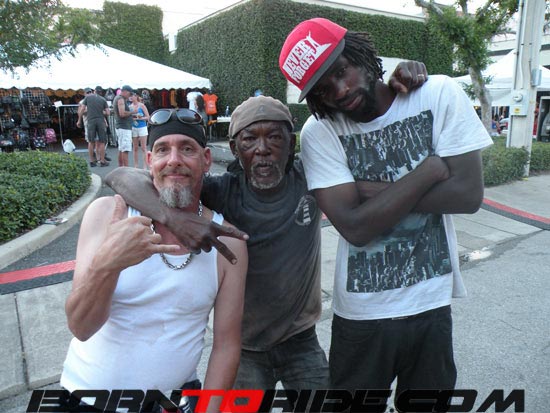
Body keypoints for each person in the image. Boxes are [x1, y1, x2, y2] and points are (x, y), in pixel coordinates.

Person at [105, 57, 428, 394]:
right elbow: (122, 176)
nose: (262, 150)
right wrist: (174, 218)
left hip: (301, 340)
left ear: (291, 144)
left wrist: (393, 89)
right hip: (243, 347)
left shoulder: (312, 179)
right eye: (249, 140)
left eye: (274, 138)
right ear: (234, 149)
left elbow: (372, 169)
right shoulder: (222, 191)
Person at [278, 17, 493, 398]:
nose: (340, 91)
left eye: (341, 71)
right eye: (323, 88)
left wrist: (372, 191)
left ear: (361, 56)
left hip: (430, 305)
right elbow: (355, 228)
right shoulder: (320, 132)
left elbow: (467, 195)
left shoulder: (437, 94)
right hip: (360, 316)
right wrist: (428, 171)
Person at [61, 108, 248, 413]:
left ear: (206, 160)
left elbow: (226, 345)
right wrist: (110, 262)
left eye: (187, 149)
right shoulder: (107, 214)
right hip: (85, 400)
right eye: (162, 150)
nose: (174, 159)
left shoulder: (228, 244)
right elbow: (81, 327)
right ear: (149, 161)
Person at [77, 86, 110, 167]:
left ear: (94, 91)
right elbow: (108, 113)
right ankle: (102, 161)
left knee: (91, 142)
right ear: (101, 92)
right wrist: (101, 112)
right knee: (102, 141)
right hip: (100, 121)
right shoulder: (103, 99)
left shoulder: (87, 98)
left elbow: (82, 110)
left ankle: (92, 161)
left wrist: (79, 120)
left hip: (91, 121)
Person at [113, 85, 137, 167]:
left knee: (121, 148)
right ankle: (126, 169)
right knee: (125, 149)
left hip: (121, 126)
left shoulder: (118, 98)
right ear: (125, 92)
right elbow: (122, 114)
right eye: (130, 94)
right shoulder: (120, 99)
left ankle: (121, 167)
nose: (130, 96)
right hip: (124, 127)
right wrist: (132, 112)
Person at [130, 93, 150, 169]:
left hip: (142, 127)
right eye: (130, 96)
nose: (131, 97)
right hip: (134, 127)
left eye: (132, 96)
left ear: (136, 96)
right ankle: (136, 165)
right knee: (135, 147)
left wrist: (139, 118)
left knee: (143, 147)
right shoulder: (130, 106)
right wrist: (132, 118)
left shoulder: (142, 105)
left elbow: (148, 117)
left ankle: (145, 166)